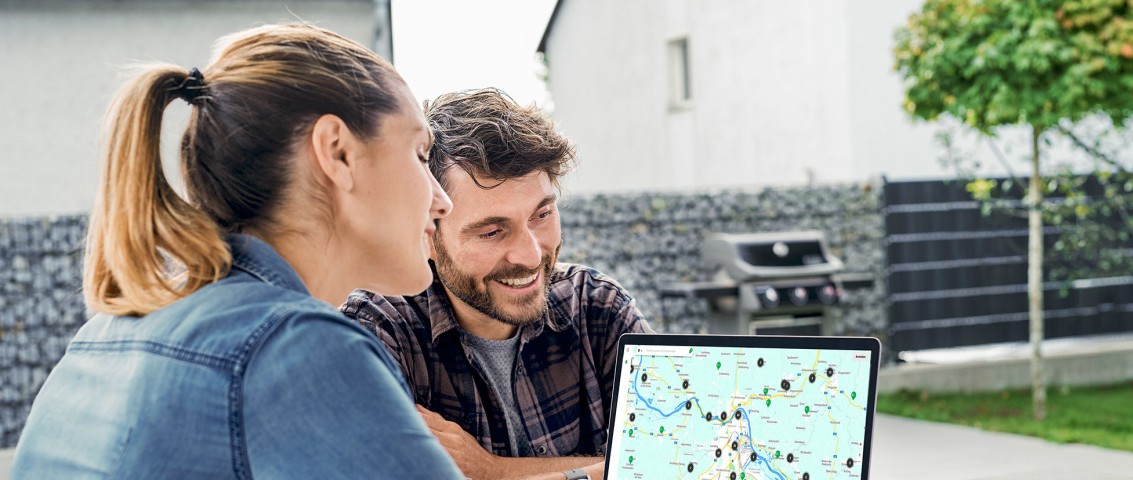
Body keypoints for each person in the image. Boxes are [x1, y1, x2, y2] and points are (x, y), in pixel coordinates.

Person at [11, 23, 465, 478]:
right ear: (337, 152)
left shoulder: (102, 334)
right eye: (421, 154)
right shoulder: (299, 348)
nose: (441, 201)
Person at [341, 88, 654, 480]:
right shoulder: (378, 330)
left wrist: (494, 472)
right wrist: (601, 469)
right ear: (427, 234)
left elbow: (686, 464)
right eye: (491, 231)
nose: (530, 255)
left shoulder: (596, 305)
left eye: (542, 214)